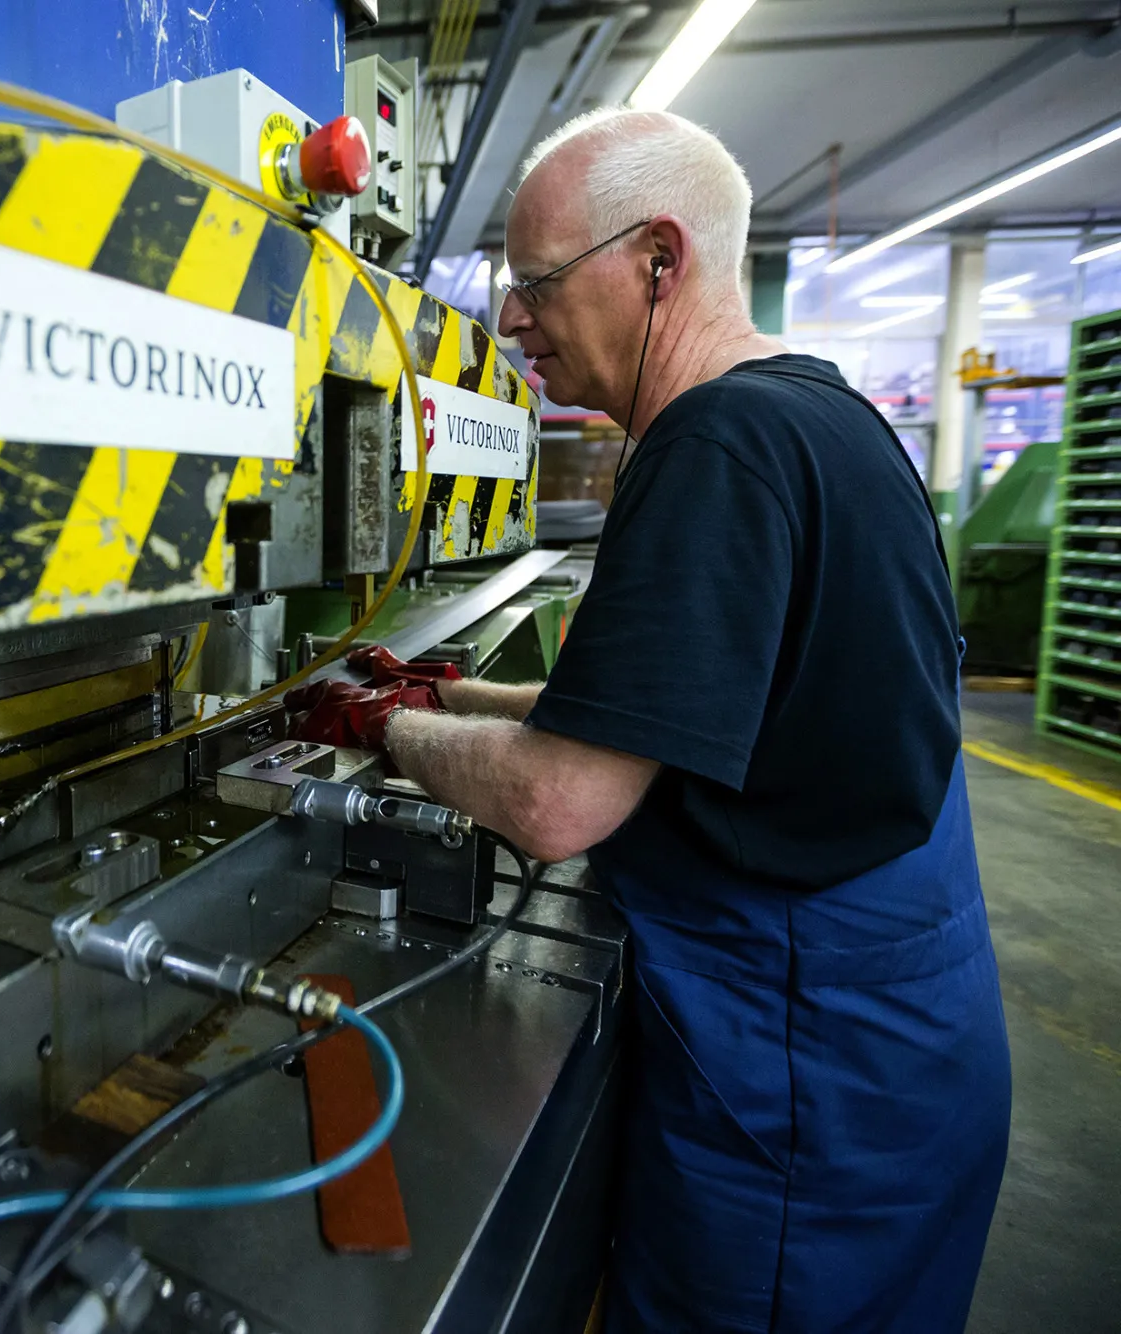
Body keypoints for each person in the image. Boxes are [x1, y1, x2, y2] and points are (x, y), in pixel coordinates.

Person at [377, 109, 1012, 1331]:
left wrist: (385, 735)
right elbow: (652, 720)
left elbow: (560, 799)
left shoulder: (712, 441)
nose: (510, 320)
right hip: (893, 1061)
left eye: (536, 283)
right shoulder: (821, 419)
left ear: (656, 260)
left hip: (801, 1088)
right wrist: (442, 693)